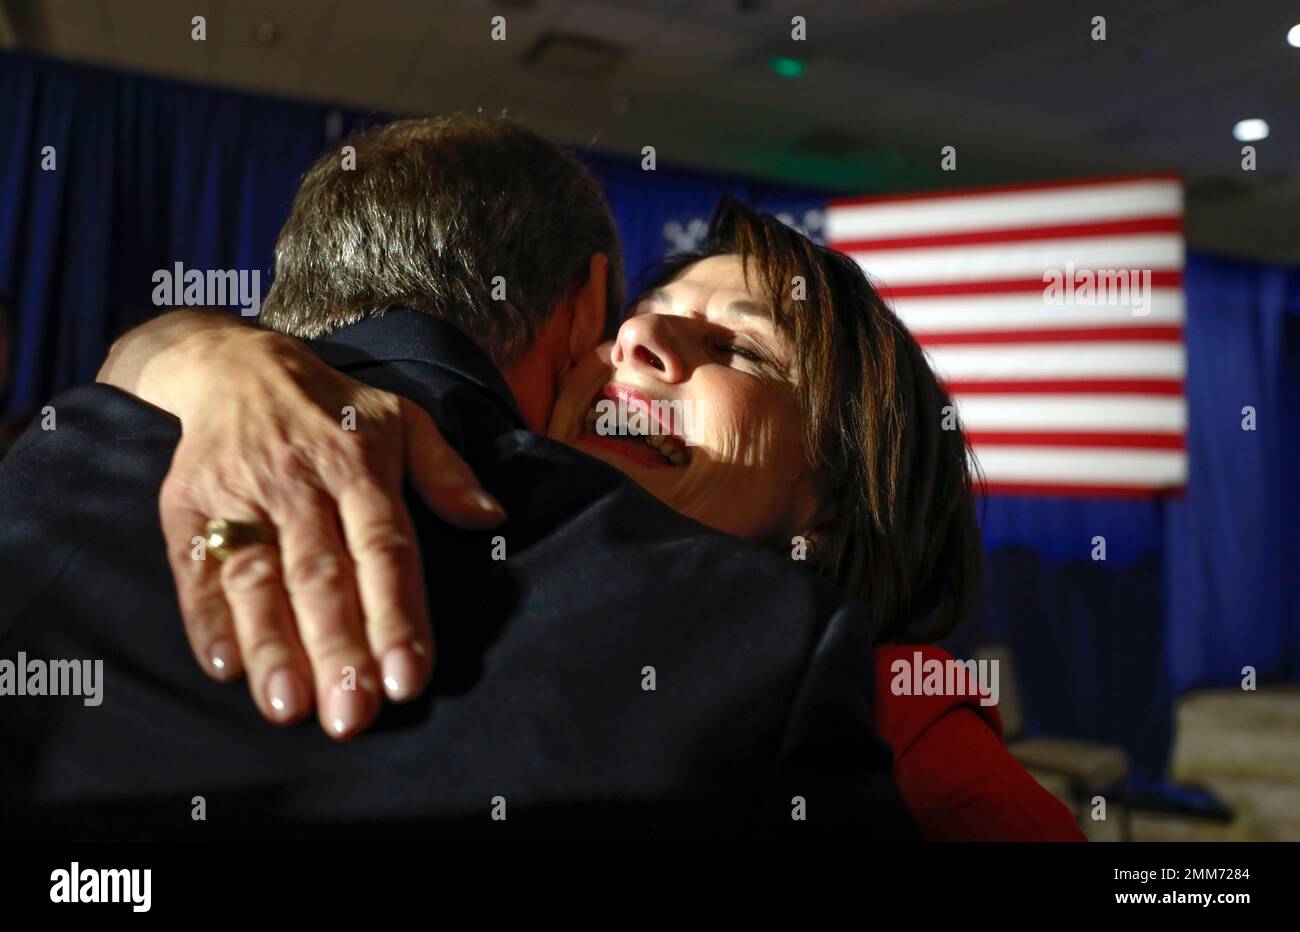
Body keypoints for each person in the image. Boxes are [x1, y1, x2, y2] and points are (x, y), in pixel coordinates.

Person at [95, 131, 1084, 841]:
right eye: (639, 317)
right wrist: (192, 351)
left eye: (737, 347)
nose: (638, 343)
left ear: (828, 504)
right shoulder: (439, 520)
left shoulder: (906, 737)